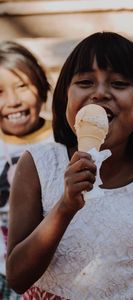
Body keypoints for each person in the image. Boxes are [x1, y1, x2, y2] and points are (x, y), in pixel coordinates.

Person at [6, 32, 133, 300]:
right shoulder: (37, 166)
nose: (100, 92)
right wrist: (65, 207)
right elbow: (17, 278)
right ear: (65, 97)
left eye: (119, 83)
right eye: (85, 81)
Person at [0, 41, 53, 299]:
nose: (12, 101)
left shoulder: (64, 141)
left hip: (47, 273)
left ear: (41, 84)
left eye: (22, 86)